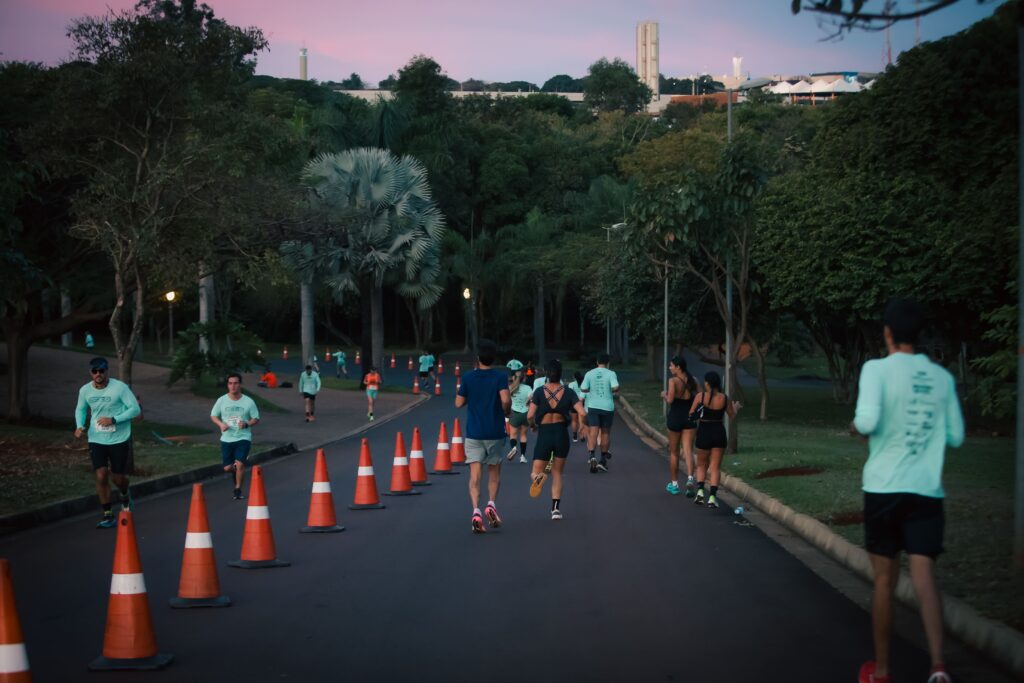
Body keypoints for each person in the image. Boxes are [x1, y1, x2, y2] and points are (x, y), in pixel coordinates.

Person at [851, 299, 962, 683]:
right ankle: (939, 667)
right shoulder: (942, 379)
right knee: (924, 577)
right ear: (919, 335)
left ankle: (881, 671)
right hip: (927, 491)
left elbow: (866, 420)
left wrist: (860, 429)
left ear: (887, 334)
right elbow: (956, 435)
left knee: (884, 580)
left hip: (883, 488)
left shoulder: (876, 370)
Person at [74, 357, 141, 528]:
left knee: (118, 478)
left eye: (101, 371)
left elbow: (135, 410)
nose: (98, 374)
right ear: (90, 372)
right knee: (101, 474)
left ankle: (125, 494)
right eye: (95, 371)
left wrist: (114, 419)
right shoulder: (85, 390)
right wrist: (80, 425)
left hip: (119, 438)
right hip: (97, 438)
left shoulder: (120, 388)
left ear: (106, 371)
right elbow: (81, 409)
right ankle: (108, 514)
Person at [455, 339, 511, 533]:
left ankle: (476, 511)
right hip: (495, 432)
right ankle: (491, 504)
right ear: (493, 358)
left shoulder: (468, 377)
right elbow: (505, 400)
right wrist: (506, 410)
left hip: (474, 433)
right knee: (494, 473)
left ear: (478, 358)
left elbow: (458, 403)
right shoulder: (500, 377)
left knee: (475, 475)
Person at [527, 360, 586, 520]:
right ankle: (555, 510)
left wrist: (533, 426)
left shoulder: (539, 392)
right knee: (558, 473)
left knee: (536, 471)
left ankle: (539, 478)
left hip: (545, 433)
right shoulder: (568, 392)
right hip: (561, 434)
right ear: (561, 374)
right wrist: (582, 426)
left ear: (547, 374)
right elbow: (582, 412)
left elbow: (530, 415)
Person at [688, 371, 740, 508]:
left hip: (704, 431)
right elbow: (732, 416)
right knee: (715, 467)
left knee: (701, 465)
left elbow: (691, 415)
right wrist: (735, 408)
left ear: (707, 383)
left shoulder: (700, 397)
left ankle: (700, 492)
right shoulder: (724, 398)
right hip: (718, 432)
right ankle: (712, 497)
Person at [210, 373, 261, 500]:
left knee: (240, 464)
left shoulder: (248, 401)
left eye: (236, 383)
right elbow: (213, 415)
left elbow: (256, 418)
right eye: (230, 383)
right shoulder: (221, 400)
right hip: (226, 438)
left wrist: (247, 423)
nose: (233, 386)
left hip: (243, 437)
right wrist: (221, 424)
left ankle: (237, 489)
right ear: (227, 385)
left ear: (240, 384)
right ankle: (236, 470)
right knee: (227, 468)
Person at [662, 356, 698, 496]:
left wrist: (664, 395)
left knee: (674, 452)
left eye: (671, 366)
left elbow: (670, 400)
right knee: (688, 450)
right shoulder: (694, 380)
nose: (669, 368)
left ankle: (675, 484)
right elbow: (699, 396)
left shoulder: (673, 381)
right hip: (689, 418)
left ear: (678, 367)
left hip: (675, 418)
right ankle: (690, 478)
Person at [581, 353, 620, 473]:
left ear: (597, 362)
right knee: (605, 433)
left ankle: (592, 456)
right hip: (607, 407)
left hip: (593, 406)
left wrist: (590, 389)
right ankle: (602, 460)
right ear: (608, 363)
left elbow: (583, 389)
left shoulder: (589, 373)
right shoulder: (611, 373)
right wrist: (612, 389)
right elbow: (615, 387)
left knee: (593, 431)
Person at [507, 370, 532, 463]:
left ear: (514, 378)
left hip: (514, 413)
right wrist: (528, 401)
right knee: (523, 435)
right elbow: (531, 397)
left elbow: (507, 400)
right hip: (525, 413)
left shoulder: (511, 387)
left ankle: (513, 448)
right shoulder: (528, 388)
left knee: (513, 435)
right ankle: (522, 456)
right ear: (524, 378)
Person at [567, 370, 586, 443]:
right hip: (583, 403)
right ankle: (582, 436)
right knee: (582, 420)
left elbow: (569, 394)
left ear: (574, 377)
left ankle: (575, 436)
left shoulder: (571, 384)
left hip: (574, 404)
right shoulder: (584, 383)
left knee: (574, 420)